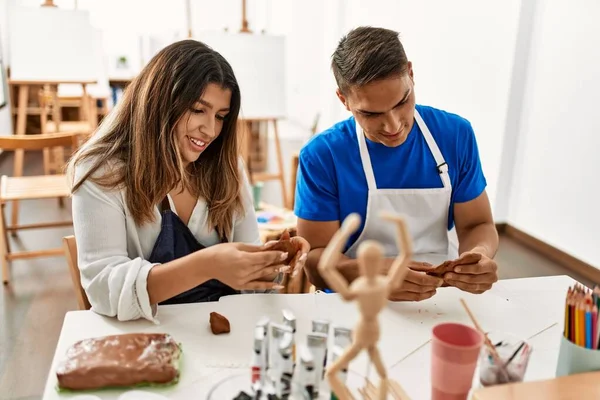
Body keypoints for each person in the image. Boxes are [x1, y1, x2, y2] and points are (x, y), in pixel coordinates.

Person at [67, 40, 309, 322]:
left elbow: (249, 279)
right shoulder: (101, 171)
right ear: (159, 101)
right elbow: (102, 290)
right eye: (197, 110)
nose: (210, 130)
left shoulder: (228, 168)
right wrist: (208, 264)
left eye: (220, 116)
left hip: (223, 331)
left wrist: (274, 261)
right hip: (144, 335)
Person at [294, 26, 498, 301]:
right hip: (356, 300)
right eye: (370, 113)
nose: (393, 125)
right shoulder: (323, 155)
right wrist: (371, 274)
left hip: (441, 295)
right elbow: (316, 263)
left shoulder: (455, 135)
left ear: (411, 75)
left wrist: (479, 256)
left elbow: (478, 224)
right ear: (344, 100)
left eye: (402, 102)